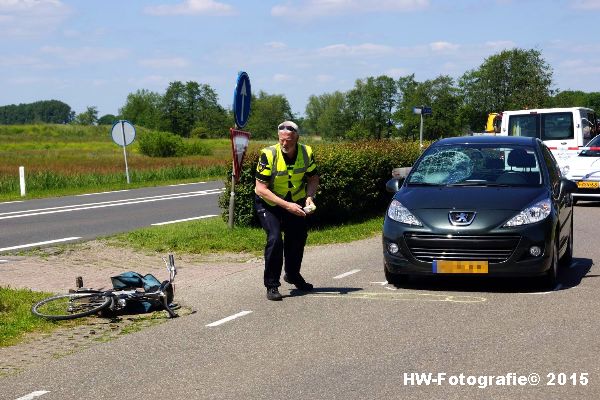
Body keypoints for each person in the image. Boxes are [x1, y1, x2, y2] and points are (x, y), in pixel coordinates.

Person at [254, 120, 319, 301]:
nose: (284, 144)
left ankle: (292, 274)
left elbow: (313, 178)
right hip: (269, 202)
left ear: (297, 138)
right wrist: (286, 205)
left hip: (295, 201)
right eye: (281, 140)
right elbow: (261, 189)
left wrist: (310, 196)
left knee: (298, 236)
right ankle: (272, 285)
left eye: (289, 140)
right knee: (275, 239)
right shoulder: (268, 154)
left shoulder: (306, 152)